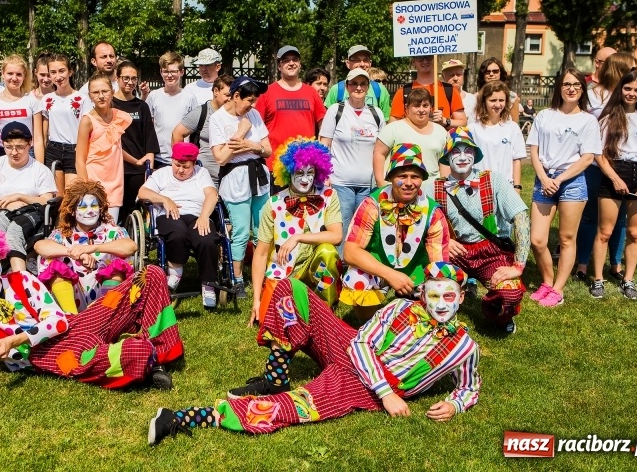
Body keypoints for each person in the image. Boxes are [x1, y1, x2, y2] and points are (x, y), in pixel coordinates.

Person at [147, 263, 480, 446]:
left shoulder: (465, 348)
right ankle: (276, 377)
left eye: (448, 295)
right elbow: (361, 344)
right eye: (433, 294)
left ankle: (183, 417)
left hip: (357, 385)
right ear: (423, 293)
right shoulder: (400, 308)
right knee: (291, 289)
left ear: (461, 298)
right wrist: (388, 395)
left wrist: (454, 404)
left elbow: (468, 388)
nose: (439, 303)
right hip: (353, 348)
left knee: (294, 408)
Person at [0, 225, 182, 389]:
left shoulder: (21, 280)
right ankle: (146, 359)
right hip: (54, 356)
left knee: (151, 275)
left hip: (79, 323)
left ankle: (163, 351)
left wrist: (14, 340)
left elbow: (59, 322)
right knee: (135, 351)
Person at [424, 128, 530, 334]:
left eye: (468, 151)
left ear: (475, 154)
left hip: (490, 253)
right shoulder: (433, 187)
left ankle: (496, 315)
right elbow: (417, 220)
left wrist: (518, 266)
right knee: (432, 288)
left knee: (510, 291)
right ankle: (440, 322)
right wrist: (444, 241)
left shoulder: (494, 180)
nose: (462, 157)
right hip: (453, 254)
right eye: (456, 152)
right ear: (447, 157)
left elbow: (522, 217)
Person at [341, 143, 450, 321]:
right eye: (402, 176)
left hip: (415, 272)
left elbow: (439, 263)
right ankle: (369, 325)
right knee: (356, 279)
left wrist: (437, 291)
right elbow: (350, 252)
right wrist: (390, 274)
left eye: (414, 176)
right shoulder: (371, 204)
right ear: (391, 177)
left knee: (429, 303)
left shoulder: (433, 213)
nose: (408, 183)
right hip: (377, 268)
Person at [527, 69, 601, 307]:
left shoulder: (588, 120)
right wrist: (544, 177)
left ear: (582, 90)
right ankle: (547, 282)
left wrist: (558, 180)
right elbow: (534, 151)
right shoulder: (544, 116)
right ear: (559, 87)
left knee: (567, 238)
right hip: (544, 178)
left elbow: (587, 157)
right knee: (537, 240)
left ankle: (558, 290)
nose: (571, 89)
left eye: (576, 85)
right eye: (567, 84)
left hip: (571, 181)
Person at [250, 137, 343, 324]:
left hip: (315, 270)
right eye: (299, 172)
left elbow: (336, 236)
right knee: (273, 322)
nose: (305, 178)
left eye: (310, 172)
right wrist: (256, 300)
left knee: (328, 252)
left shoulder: (329, 196)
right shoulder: (274, 203)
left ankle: (324, 312)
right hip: (283, 271)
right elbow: (260, 254)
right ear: (288, 172)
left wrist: (298, 237)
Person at [589, 72, 637, 300]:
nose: (632, 93)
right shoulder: (607, 117)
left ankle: (628, 280)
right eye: (628, 88)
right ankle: (598, 279)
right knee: (605, 232)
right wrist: (614, 178)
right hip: (614, 173)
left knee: (634, 232)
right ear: (621, 89)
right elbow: (599, 155)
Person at [209, 76, 272, 300]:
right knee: (242, 232)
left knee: (264, 231)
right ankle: (237, 279)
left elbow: (267, 150)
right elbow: (221, 158)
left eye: (255, 101)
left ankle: (264, 276)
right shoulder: (218, 119)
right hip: (235, 180)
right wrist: (240, 134)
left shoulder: (253, 115)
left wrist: (252, 146)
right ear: (236, 96)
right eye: (249, 100)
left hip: (258, 177)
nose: (253, 106)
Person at [575, 52, 637, 280]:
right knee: (590, 215)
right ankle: (582, 263)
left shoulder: (627, 96)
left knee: (619, 218)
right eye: (631, 68)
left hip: (620, 166)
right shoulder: (592, 96)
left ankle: (616, 264)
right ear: (619, 70)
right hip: (593, 165)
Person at [35, 180, 137, 315]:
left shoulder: (112, 231)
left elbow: (131, 246)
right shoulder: (63, 234)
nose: (90, 211)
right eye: (83, 207)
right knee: (54, 267)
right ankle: (73, 320)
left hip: (105, 294)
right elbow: (40, 246)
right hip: (74, 292)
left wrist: (93, 248)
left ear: (100, 208)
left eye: (94, 205)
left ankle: (105, 316)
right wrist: (73, 253)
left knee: (117, 267)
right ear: (72, 210)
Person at [138, 142, 220, 308]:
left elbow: (212, 194)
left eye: (186, 167)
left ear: (194, 164)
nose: (181, 170)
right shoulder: (162, 174)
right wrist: (165, 199)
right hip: (168, 215)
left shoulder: (201, 173)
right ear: (172, 161)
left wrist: (204, 216)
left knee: (208, 239)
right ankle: (175, 273)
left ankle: (208, 283)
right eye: (177, 165)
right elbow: (142, 193)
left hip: (196, 214)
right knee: (178, 233)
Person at [0, 122, 57, 273]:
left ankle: (21, 282)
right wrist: (7, 204)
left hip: (30, 214)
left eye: (19, 147)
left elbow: (47, 200)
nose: (14, 152)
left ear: (29, 144)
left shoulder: (40, 170)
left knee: (13, 235)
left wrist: (20, 197)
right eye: (8, 147)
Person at [318, 68, 384, 246]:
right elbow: (324, 144)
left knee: (365, 235)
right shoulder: (335, 110)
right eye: (354, 83)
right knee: (340, 234)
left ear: (368, 87)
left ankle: (361, 272)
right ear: (347, 86)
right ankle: (339, 271)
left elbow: (383, 150)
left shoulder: (377, 114)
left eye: (363, 83)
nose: (358, 87)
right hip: (340, 184)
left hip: (368, 187)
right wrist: (324, 176)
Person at [254, 45, 326, 172]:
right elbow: (256, 128)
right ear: (279, 66)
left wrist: (321, 159)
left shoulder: (312, 93)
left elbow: (324, 128)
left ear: (300, 64)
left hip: (306, 166)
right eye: (286, 60)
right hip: (275, 166)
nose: (291, 63)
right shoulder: (267, 93)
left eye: (295, 59)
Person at [76, 73, 132, 222]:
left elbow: (116, 147)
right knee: (93, 226)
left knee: (110, 226)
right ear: (90, 96)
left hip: (115, 181)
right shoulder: (87, 121)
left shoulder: (119, 116)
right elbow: (80, 159)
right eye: (96, 92)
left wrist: (136, 161)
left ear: (112, 92)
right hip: (94, 180)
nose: (101, 96)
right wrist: (86, 189)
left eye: (104, 91)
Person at [40, 54, 94, 196]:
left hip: (75, 150)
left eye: (62, 71)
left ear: (70, 72)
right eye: (53, 72)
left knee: (72, 196)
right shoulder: (47, 99)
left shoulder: (82, 99)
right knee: (57, 198)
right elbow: (44, 131)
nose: (58, 76)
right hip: (53, 150)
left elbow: (88, 129)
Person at [112, 61, 159, 219]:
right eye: (126, 78)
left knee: (134, 208)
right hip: (115, 166)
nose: (130, 82)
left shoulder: (141, 107)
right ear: (117, 78)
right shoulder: (110, 105)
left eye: (134, 79)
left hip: (137, 168)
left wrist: (149, 167)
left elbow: (149, 137)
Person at [374, 88, 449, 185]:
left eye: (425, 106)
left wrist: (444, 184)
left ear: (431, 108)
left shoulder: (441, 131)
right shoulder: (393, 129)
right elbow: (379, 153)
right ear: (407, 107)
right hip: (401, 188)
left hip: (432, 187)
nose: (421, 110)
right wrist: (380, 182)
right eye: (417, 106)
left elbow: (444, 162)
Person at [172, 74, 234, 184]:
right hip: (205, 180)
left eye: (233, 96)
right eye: (227, 95)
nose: (230, 99)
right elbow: (177, 134)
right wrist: (184, 163)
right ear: (216, 91)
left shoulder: (235, 114)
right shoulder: (201, 112)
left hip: (230, 178)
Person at [147, 51, 199, 169]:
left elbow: (195, 131)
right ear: (161, 72)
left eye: (173, 71)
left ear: (181, 72)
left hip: (183, 159)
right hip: (159, 158)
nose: (169, 75)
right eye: (166, 71)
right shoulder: (153, 96)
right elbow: (148, 128)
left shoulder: (189, 97)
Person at [469, 81, 527, 186]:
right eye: (493, 100)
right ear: (484, 102)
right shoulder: (473, 129)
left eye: (501, 100)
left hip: (506, 185)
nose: (497, 104)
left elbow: (516, 160)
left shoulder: (513, 128)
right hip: (480, 186)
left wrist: (517, 187)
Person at [390, 55, 466, 129]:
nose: (425, 61)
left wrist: (444, 121)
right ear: (413, 61)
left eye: (429, 57)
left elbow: (463, 122)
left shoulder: (450, 90)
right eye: (420, 58)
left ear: (436, 59)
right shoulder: (403, 92)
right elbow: (393, 126)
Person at [0, 54, 42, 158]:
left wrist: (40, 168)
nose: (14, 78)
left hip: (26, 151)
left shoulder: (32, 102)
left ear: (24, 76)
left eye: (19, 74)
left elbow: (38, 139)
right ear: (3, 74)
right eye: (10, 73)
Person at [324, 45, 391, 120]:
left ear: (370, 63)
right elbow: (327, 121)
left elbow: (386, 121)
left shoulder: (380, 90)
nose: (362, 64)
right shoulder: (337, 89)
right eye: (356, 60)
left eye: (366, 60)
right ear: (348, 63)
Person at [476, 57, 519, 123]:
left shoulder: (512, 97)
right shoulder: (476, 97)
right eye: (487, 72)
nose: (491, 74)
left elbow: (515, 122)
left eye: (495, 71)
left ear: (501, 73)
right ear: (483, 75)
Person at [441, 59, 477, 124]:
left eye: (458, 74)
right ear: (443, 77)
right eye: (451, 75)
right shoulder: (438, 98)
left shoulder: (472, 99)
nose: (455, 78)